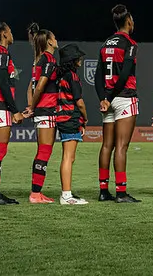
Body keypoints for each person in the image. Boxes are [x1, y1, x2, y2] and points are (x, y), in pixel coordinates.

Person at [94, 4, 141, 203]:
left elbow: (97, 76)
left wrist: (103, 98)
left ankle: (104, 191)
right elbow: (124, 74)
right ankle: (121, 193)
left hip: (108, 99)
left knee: (107, 145)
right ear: (128, 21)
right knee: (122, 147)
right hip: (124, 97)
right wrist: (112, 97)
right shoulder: (130, 43)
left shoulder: (106, 44)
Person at [0, 18, 27, 205]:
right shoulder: (2, 53)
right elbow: (2, 82)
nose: (11, 33)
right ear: (3, 34)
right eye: (9, 30)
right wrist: (14, 110)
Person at [25, 22, 59, 204]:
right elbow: (38, 87)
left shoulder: (38, 59)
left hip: (43, 110)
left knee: (43, 151)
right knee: (44, 152)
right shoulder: (49, 60)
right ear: (49, 42)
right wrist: (33, 107)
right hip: (46, 110)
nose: (56, 39)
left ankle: (36, 192)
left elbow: (30, 87)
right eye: (54, 37)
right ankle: (35, 194)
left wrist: (32, 106)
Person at [56, 43, 89, 205]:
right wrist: (85, 117)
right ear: (72, 60)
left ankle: (67, 193)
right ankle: (66, 195)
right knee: (68, 157)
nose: (80, 59)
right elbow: (80, 102)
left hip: (63, 118)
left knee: (69, 157)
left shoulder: (62, 75)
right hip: (70, 118)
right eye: (78, 57)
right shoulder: (72, 76)